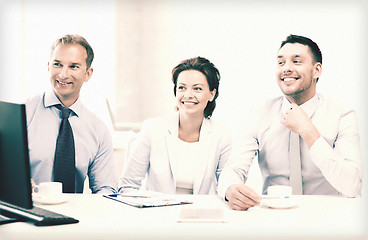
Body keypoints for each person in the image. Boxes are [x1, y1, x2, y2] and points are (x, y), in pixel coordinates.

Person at [218, 34, 363, 210]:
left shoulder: (342, 115)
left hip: (329, 216)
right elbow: (233, 169)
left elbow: (352, 186)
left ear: (316, 70)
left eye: (296, 61)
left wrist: (308, 131)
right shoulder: (258, 114)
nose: (286, 68)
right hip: (274, 217)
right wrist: (231, 189)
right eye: (281, 62)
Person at [119, 57, 232, 194]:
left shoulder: (222, 135)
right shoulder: (152, 128)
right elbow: (128, 185)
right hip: (156, 211)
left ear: (211, 94)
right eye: (182, 88)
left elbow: (227, 185)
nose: (188, 95)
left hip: (199, 212)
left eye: (197, 89)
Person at [26, 34, 117, 194]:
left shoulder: (98, 131)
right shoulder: (23, 115)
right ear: (48, 66)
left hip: (77, 217)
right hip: (27, 214)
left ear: (88, 73)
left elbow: (106, 189)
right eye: (57, 64)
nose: (63, 74)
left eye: (73, 66)